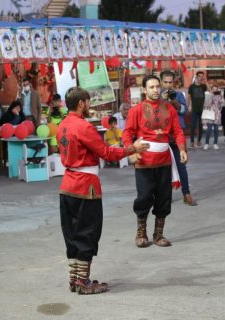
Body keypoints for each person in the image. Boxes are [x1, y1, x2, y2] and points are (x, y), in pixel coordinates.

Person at [56, 87, 148, 295]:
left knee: (71, 233)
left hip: (67, 184)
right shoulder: (83, 126)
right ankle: (83, 282)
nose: (89, 106)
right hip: (85, 186)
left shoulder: (62, 125)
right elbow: (106, 152)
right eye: (88, 102)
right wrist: (132, 148)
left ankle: (75, 279)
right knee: (88, 232)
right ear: (81, 103)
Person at [123, 75, 187, 248]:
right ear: (144, 90)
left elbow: (178, 131)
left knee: (164, 198)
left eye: (157, 86)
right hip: (144, 161)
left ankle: (158, 235)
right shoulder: (136, 110)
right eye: (151, 87)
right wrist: (131, 151)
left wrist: (181, 149)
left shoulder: (170, 108)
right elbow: (127, 133)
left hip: (164, 161)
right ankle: (141, 232)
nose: (155, 90)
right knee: (144, 197)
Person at [160, 70, 197, 206]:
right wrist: (162, 99)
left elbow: (184, 111)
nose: (169, 85)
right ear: (161, 82)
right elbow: (154, 113)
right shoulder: (157, 96)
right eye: (166, 82)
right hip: (162, 136)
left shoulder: (179, 95)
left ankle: (186, 194)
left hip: (177, 135)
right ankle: (165, 195)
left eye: (171, 82)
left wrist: (174, 101)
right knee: (163, 168)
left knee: (181, 165)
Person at [187, 71, 208, 148]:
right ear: (196, 77)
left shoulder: (203, 86)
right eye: (199, 76)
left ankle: (199, 141)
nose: (201, 78)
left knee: (200, 125)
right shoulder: (191, 87)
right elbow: (188, 97)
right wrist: (188, 106)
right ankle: (192, 142)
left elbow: (210, 91)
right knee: (193, 125)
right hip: (194, 108)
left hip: (202, 109)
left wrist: (206, 82)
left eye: (202, 76)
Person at [203, 85, 225, 150]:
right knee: (209, 130)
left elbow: (224, 104)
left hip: (217, 114)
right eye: (213, 89)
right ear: (211, 90)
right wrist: (211, 96)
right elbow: (206, 104)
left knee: (216, 130)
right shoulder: (208, 95)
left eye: (216, 89)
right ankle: (206, 144)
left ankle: (215, 144)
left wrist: (222, 96)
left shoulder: (219, 96)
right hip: (210, 113)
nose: (214, 90)